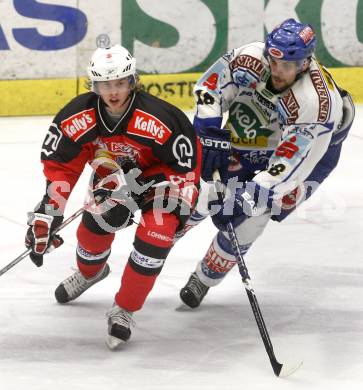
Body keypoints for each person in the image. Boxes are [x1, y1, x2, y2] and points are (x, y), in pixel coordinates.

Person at [24, 43, 201, 349]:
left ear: (133, 81)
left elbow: (185, 169)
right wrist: (50, 211)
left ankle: (125, 309)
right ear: (94, 85)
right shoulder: (78, 116)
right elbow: (61, 168)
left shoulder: (158, 119)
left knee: (156, 235)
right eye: (105, 84)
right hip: (112, 178)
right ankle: (90, 273)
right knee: (93, 236)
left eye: (120, 82)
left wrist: (140, 189)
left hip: (162, 181)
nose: (113, 91)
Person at [177, 18, 355, 308]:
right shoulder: (253, 56)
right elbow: (211, 85)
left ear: (305, 63)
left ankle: (205, 277)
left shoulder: (316, 103)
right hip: (252, 132)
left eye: (286, 66)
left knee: (253, 217)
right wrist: (208, 131)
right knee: (202, 192)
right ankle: (161, 241)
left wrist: (247, 199)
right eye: (273, 61)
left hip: (310, 156)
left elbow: (288, 166)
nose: (276, 71)